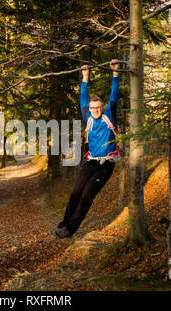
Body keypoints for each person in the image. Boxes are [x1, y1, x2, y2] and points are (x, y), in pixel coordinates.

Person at [51, 59, 120, 238]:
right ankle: (63, 223)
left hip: (106, 164)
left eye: (98, 107)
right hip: (90, 163)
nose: (95, 110)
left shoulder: (109, 117)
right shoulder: (88, 117)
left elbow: (114, 95)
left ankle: (70, 229)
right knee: (75, 193)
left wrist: (115, 73)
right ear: (89, 109)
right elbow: (83, 95)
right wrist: (85, 76)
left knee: (86, 196)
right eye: (93, 107)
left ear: (102, 108)